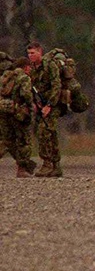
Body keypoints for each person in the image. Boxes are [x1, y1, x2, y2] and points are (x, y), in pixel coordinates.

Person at [27, 41, 63, 178]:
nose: (31, 56)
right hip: (40, 104)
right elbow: (31, 87)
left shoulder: (49, 65)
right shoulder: (31, 68)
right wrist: (34, 103)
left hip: (53, 103)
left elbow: (56, 86)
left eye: (33, 53)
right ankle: (56, 166)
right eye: (29, 53)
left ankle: (47, 164)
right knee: (51, 134)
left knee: (44, 131)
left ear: (40, 52)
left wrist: (50, 105)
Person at [0, 56, 37, 177]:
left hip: (4, 111)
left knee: (7, 140)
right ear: (26, 67)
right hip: (18, 112)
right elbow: (26, 94)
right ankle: (22, 169)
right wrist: (30, 108)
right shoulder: (24, 78)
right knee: (23, 141)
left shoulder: (5, 76)